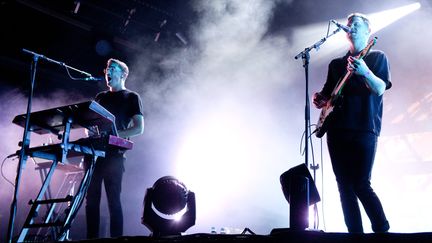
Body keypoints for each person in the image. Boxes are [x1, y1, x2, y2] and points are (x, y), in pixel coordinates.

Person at [312, 13, 391, 233]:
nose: (350, 28)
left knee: (361, 183)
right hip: (336, 130)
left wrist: (364, 70)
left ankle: (382, 229)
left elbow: (379, 88)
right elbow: (327, 98)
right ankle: (355, 234)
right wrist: (319, 99)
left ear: (368, 31)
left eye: (356, 25)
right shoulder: (336, 64)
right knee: (344, 187)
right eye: (348, 25)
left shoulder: (378, 57)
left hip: (364, 128)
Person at [85, 58, 144, 238]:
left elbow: (139, 127)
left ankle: (117, 239)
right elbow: (90, 124)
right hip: (94, 153)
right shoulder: (100, 97)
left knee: (113, 201)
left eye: (112, 68)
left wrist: (116, 135)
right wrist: (91, 132)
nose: (108, 72)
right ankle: (91, 238)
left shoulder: (131, 97)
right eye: (107, 69)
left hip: (114, 155)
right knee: (91, 201)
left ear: (123, 74)